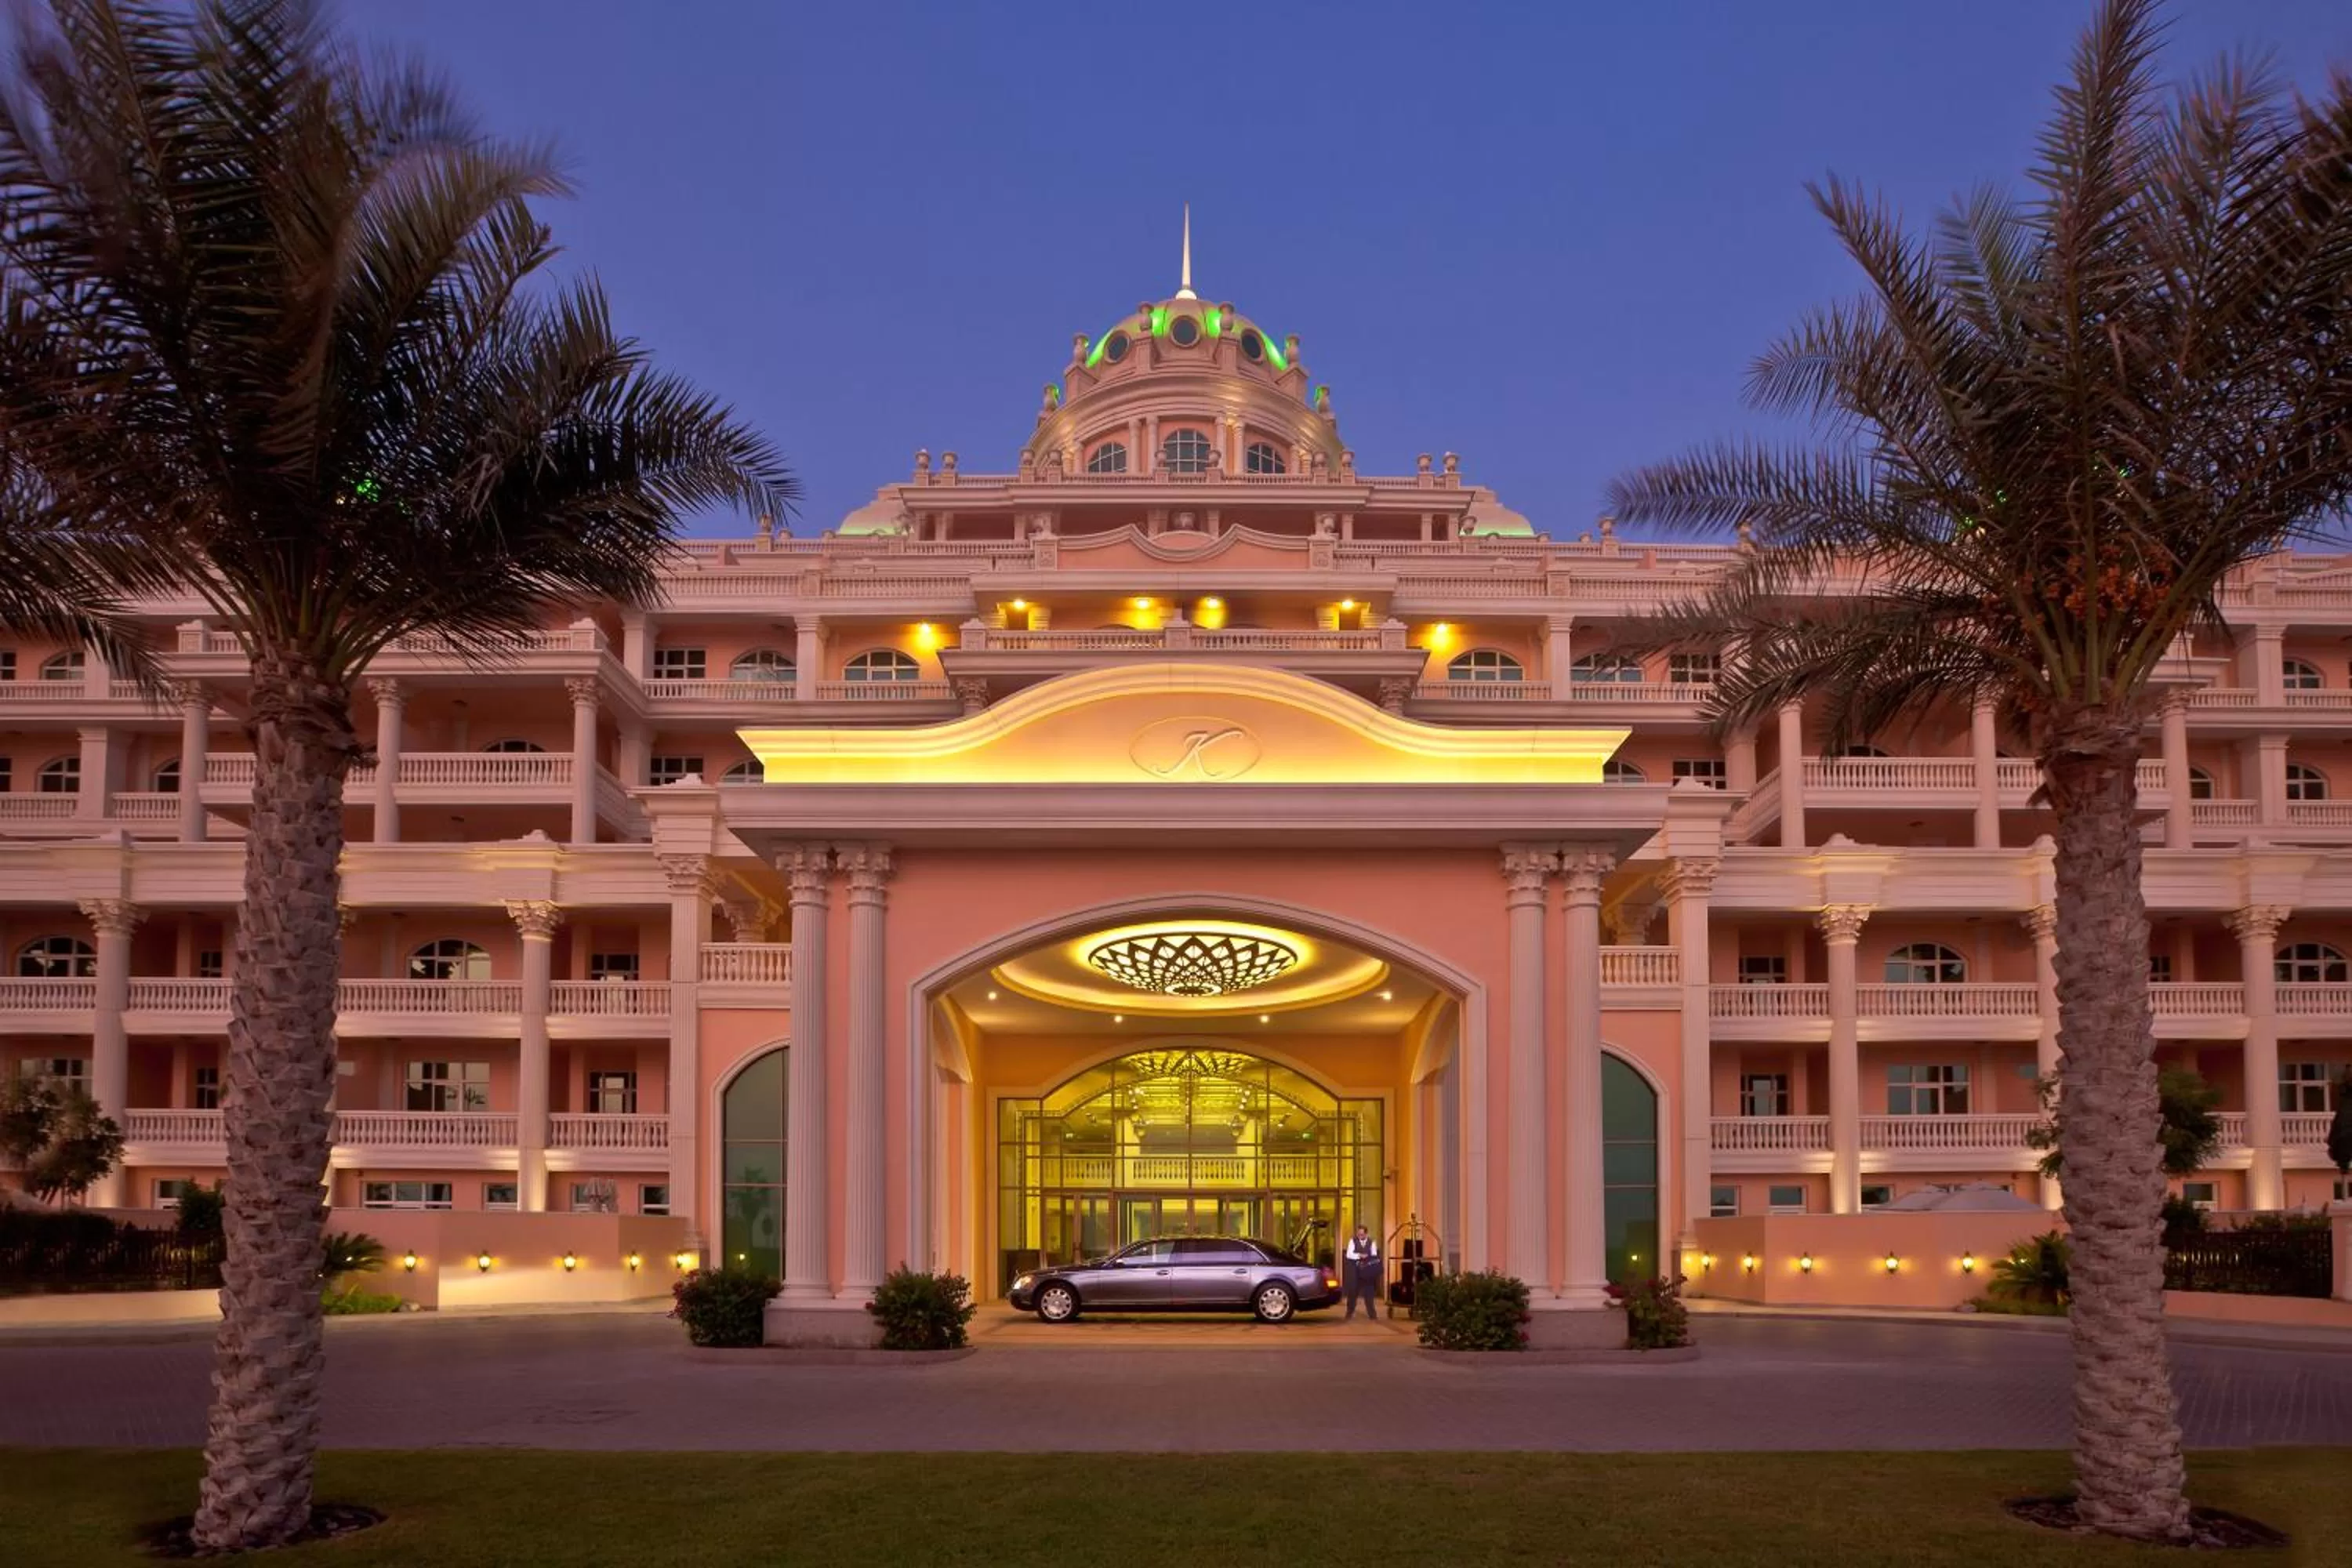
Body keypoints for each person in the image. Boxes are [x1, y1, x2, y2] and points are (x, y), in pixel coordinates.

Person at [1341, 1224, 1381, 1320]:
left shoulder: (1372, 1242)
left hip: (1367, 1272)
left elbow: (1374, 1256)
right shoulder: (1352, 1241)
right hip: (1355, 1271)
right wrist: (1359, 1255)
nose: (1360, 1236)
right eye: (1359, 1234)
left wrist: (1368, 1259)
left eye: (1362, 1234)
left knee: (1369, 1293)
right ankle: (1349, 1313)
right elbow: (1349, 1255)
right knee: (1352, 1293)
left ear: (1366, 1234)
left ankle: (1372, 1315)